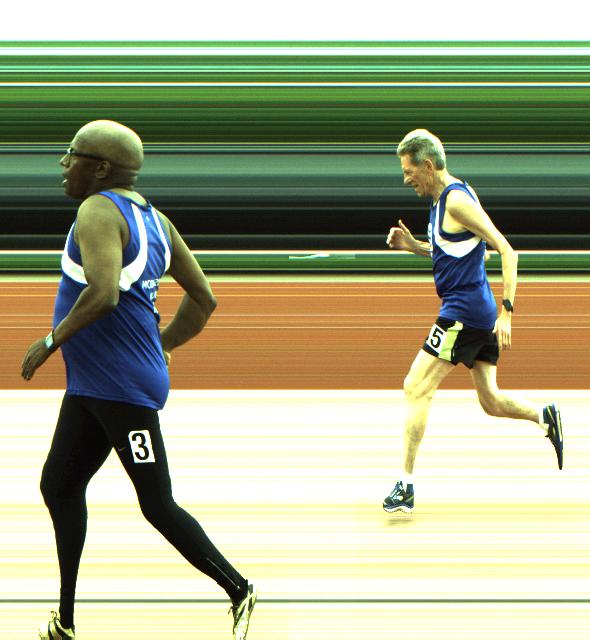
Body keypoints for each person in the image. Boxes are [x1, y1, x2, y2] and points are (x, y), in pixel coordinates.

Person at [21, 120, 256, 640]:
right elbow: (204, 299)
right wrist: (163, 344)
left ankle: (239, 589)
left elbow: (104, 293)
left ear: (100, 168)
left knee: (157, 503)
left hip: (119, 389)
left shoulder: (96, 211)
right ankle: (65, 620)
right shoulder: (156, 220)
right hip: (96, 384)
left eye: (72, 154)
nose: (64, 163)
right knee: (59, 485)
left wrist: (51, 340)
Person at [382, 129, 563, 514]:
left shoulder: (457, 200)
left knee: (415, 386)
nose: (406, 179)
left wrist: (507, 312)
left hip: (463, 313)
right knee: (491, 401)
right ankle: (545, 416)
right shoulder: (444, 200)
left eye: (409, 171)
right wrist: (414, 246)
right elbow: (457, 249)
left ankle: (405, 486)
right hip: (474, 312)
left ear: (427, 166)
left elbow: (507, 251)